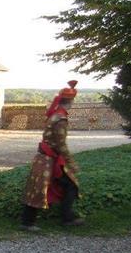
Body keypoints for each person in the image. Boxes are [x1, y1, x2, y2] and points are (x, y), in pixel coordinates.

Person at [21, 81, 84, 231]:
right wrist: (71, 163)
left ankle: (66, 217)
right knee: (41, 189)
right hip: (47, 159)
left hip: (46, 158)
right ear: (70, 101)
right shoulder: (60, 118)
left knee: (54, 186)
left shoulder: (55, 115)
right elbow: (61, 144)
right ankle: (29, 222)